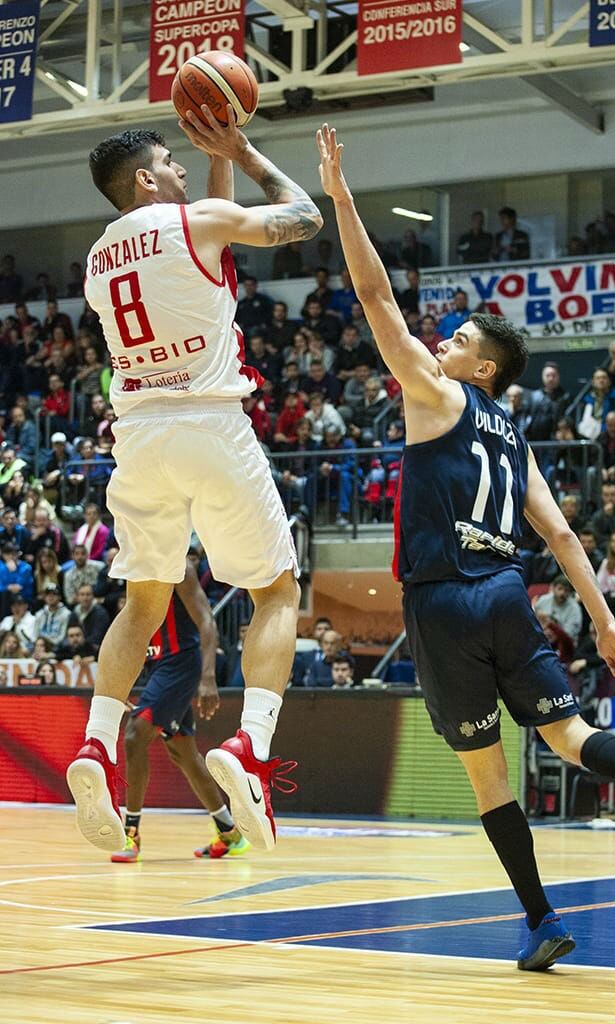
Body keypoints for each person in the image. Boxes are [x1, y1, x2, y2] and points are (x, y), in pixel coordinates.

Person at [317, 122, 615, 971]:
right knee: (570, 738)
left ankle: (541, 921)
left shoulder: (434, 397)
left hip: (442, 601)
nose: (442, 342)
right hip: (509, 596)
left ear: (482, 370)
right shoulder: (515, 436)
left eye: (459, 340)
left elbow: (374, 298)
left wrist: (342, 198)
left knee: (487, 778)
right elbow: (563, 533)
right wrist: (606, 627)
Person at [66, 107, 321, 855]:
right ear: (146, 179)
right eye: (173, 161)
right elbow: (302, 217)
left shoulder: (97, 261)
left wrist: (212, 174)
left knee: (142, 601)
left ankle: (96, 744)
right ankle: (251, 746)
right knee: (277, 589)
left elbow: (207, 263)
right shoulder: (199, 220)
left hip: (139, 435)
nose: (183, 168)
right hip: (211, 424)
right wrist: (241, 150)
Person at [110, 563, 249, 863]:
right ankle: (228, 831)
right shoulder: (136, 567)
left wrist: (209, 677)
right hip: (159, 666)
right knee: (183, 753)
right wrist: (119, 681)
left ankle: (131, 833)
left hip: (181, 665)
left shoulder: (178, 567)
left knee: (135, 735)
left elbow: (207, 622)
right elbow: (133, 630)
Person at [533, 575, 582, 645]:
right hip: (541, 638)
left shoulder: (575, 609)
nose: (562, 593)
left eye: (566, 590)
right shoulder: (543, 600)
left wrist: (550, 627)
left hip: (563, 645)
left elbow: (568, 635)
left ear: (570, 592)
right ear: (553, 588)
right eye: (560, 589)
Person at [32, 583, 71, 649]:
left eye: (54, 594)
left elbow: (62, 637)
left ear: (60, 597)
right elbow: (35, 635)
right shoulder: (39, 614)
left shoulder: (66, 614)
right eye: (48, 594)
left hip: (57, 647)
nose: (50, 597)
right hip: (40, 646)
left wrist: (48, 644)